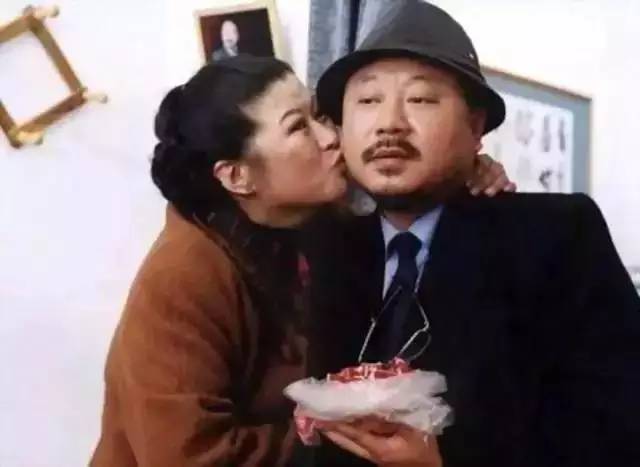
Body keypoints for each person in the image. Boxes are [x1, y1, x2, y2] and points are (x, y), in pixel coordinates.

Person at [90, 55, 512, 466]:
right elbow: (187, 456)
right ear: (237, 176)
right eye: (298, 127)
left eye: (319, 116)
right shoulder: (183, 277)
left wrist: (464, 172)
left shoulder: (313, 221)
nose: (330, 137)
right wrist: (340, 432)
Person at [305, 1, 640, 466]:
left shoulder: (556, 236)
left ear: (476, 126)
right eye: (367, 101)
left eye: (421, 99)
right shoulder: (323, 248)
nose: (389, 123)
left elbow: (619, 425)